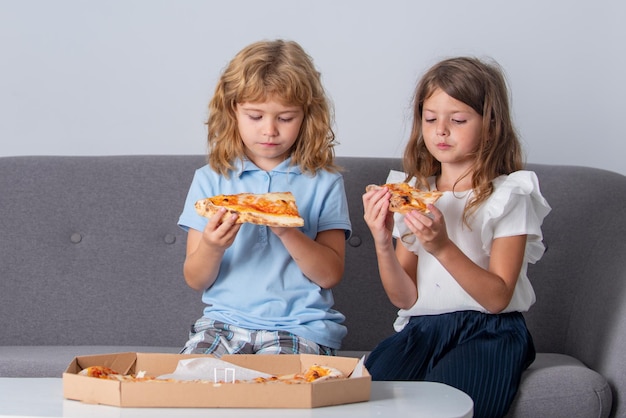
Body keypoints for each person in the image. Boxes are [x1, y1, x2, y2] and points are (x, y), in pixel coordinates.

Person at [362, 57, 551, 417]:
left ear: (490, 126)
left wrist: (442, 246)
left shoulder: (510, 195)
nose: (441, 131)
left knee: (448, 409)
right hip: (421, 331)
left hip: (489, 331)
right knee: (361, 401)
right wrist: (382, 240)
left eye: (458, 120)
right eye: (431, 119)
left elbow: (496, 298)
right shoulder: (413, 192)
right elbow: (404, 297)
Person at [178, 39, 351, 357]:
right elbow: (195, 278)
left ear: (307, 116)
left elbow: (329, 275)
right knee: (189, 389)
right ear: (233, 111)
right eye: (255, 116)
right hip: (222, 324)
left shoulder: (324, 181)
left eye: (285, 118)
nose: (270, 130)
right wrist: (213, 246)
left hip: (298, 325)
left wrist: (287, 230)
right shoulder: (211, 179)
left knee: (278, 397)